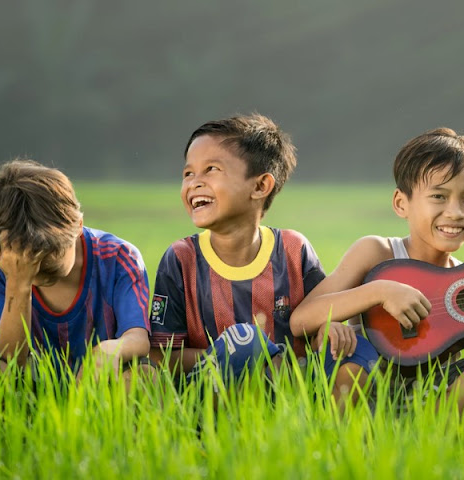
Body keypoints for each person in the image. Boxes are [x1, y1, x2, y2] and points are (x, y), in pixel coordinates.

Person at [290, 128, 464, 416]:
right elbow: (301, 319)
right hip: (374, 391)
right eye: (439, 196)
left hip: (437, 397)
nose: (456, 212)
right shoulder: (378, 252)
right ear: (402, 203)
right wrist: (380, 291)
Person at [149, 114, 378, 405]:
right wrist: (249, 354)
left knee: (359, 349)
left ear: (260, 186)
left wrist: (329, 330)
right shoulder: (181, 259)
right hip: (213, 395)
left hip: (291, 387)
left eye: (211, 170)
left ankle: (327, 431)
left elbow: (317, 320)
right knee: (246, 340)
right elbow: (162, 356)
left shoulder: (294, 249)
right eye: (188, 174)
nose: (195, 183)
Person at [0, 159, 152, 382]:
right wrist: (18, 281)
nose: (32, 265)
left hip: (101, 386)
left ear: (78, 226)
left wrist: (112, 349)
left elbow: (138, 337)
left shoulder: (118, 257)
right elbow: (8, 362)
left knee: (146, 376)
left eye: (45, 255)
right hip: (30, 391)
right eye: (22, 258)